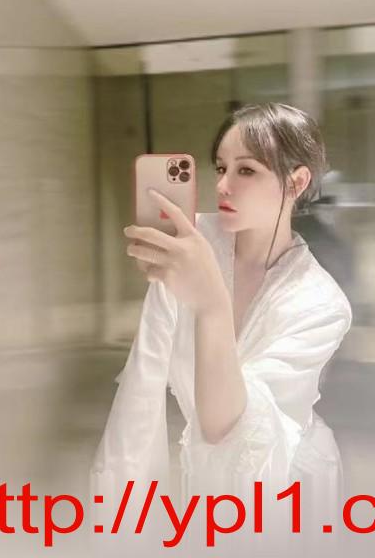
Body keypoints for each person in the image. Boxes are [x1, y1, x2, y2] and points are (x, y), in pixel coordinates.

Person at [90, 103, 352, 557]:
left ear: (296, 182)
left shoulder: (321, 303)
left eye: (246, 170)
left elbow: (227, 428)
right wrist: (121, 517)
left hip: (287, 483)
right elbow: (142, 383)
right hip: (204, 480)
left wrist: (210, 302)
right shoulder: (193, 245)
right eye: (220, 167)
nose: (223, 185)